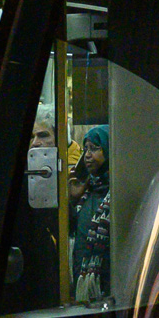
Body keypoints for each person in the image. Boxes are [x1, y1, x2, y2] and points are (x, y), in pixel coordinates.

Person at [68, 125, 112, 303]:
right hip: (83, 279)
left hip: (106, 283)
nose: (87, 155)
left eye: (94, 148)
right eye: (85, 149)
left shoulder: (114, 192)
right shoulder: (87, 190)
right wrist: (72, 198)